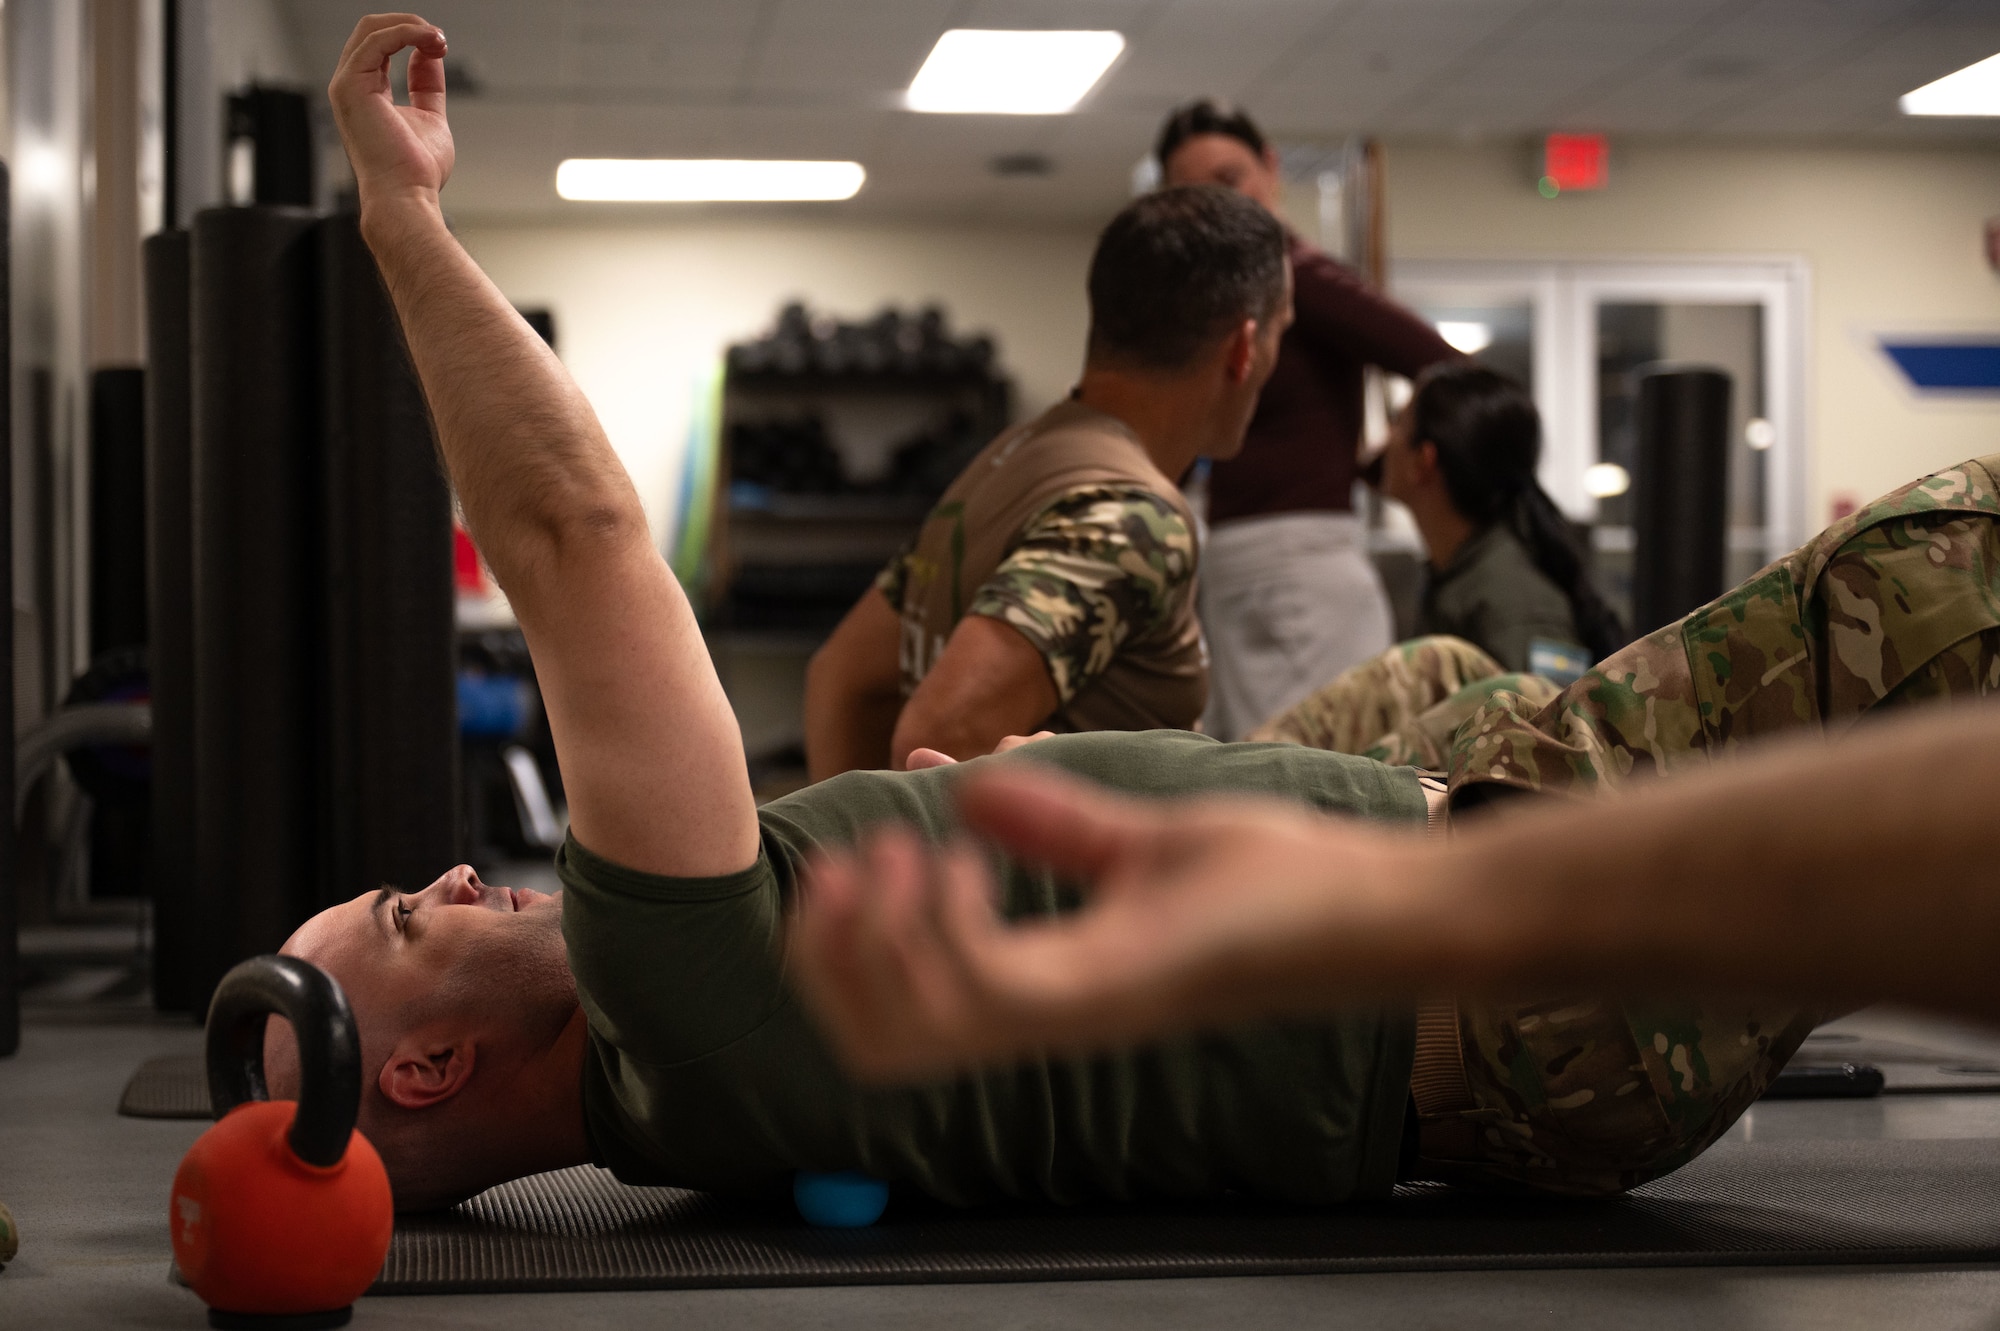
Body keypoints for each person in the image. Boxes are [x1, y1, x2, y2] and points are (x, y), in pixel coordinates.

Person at [281, 16, 1796, 1214]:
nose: (459, 871)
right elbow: (573, 533)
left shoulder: (686, 1079)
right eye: (407, 916)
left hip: (1482, 889)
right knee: (1952, 558)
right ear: (424, 1063)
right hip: (1521, 942)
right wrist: (400, 214)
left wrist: (934, 827)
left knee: (1458, 667)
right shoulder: (671, 999)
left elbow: (843, 674)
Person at [789, 454, 2000, 1102]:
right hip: (1499, 914)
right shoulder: (1110, 488)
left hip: (1538, 1016)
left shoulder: (1089, 487)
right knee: (1460, 676)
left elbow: (897, 713)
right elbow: (907, 722)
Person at [803, 185, 1292, 779]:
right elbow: (941, 732)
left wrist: (835, 853)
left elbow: (841, 678)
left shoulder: (1014, 456)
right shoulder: (1132, 516)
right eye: (1279, 333)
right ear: (1243, 348)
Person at [1157, 100, 1459, 739]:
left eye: (1229, 179)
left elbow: (1443, 366)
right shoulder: (1237, 292)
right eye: (1192, 194)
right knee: (1272, 767)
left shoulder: (1297, 277)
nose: (1219, 205)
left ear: (1270, 167)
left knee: (1312, 773)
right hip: (1242, 562)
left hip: (1295, 563)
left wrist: (1391, 460)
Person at [1375, 361, 1625, 676]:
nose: (1386, 438)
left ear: (1424, 461)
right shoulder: (1459, 577)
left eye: (1398, 423)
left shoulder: (1514, 605)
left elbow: (1541, 725)